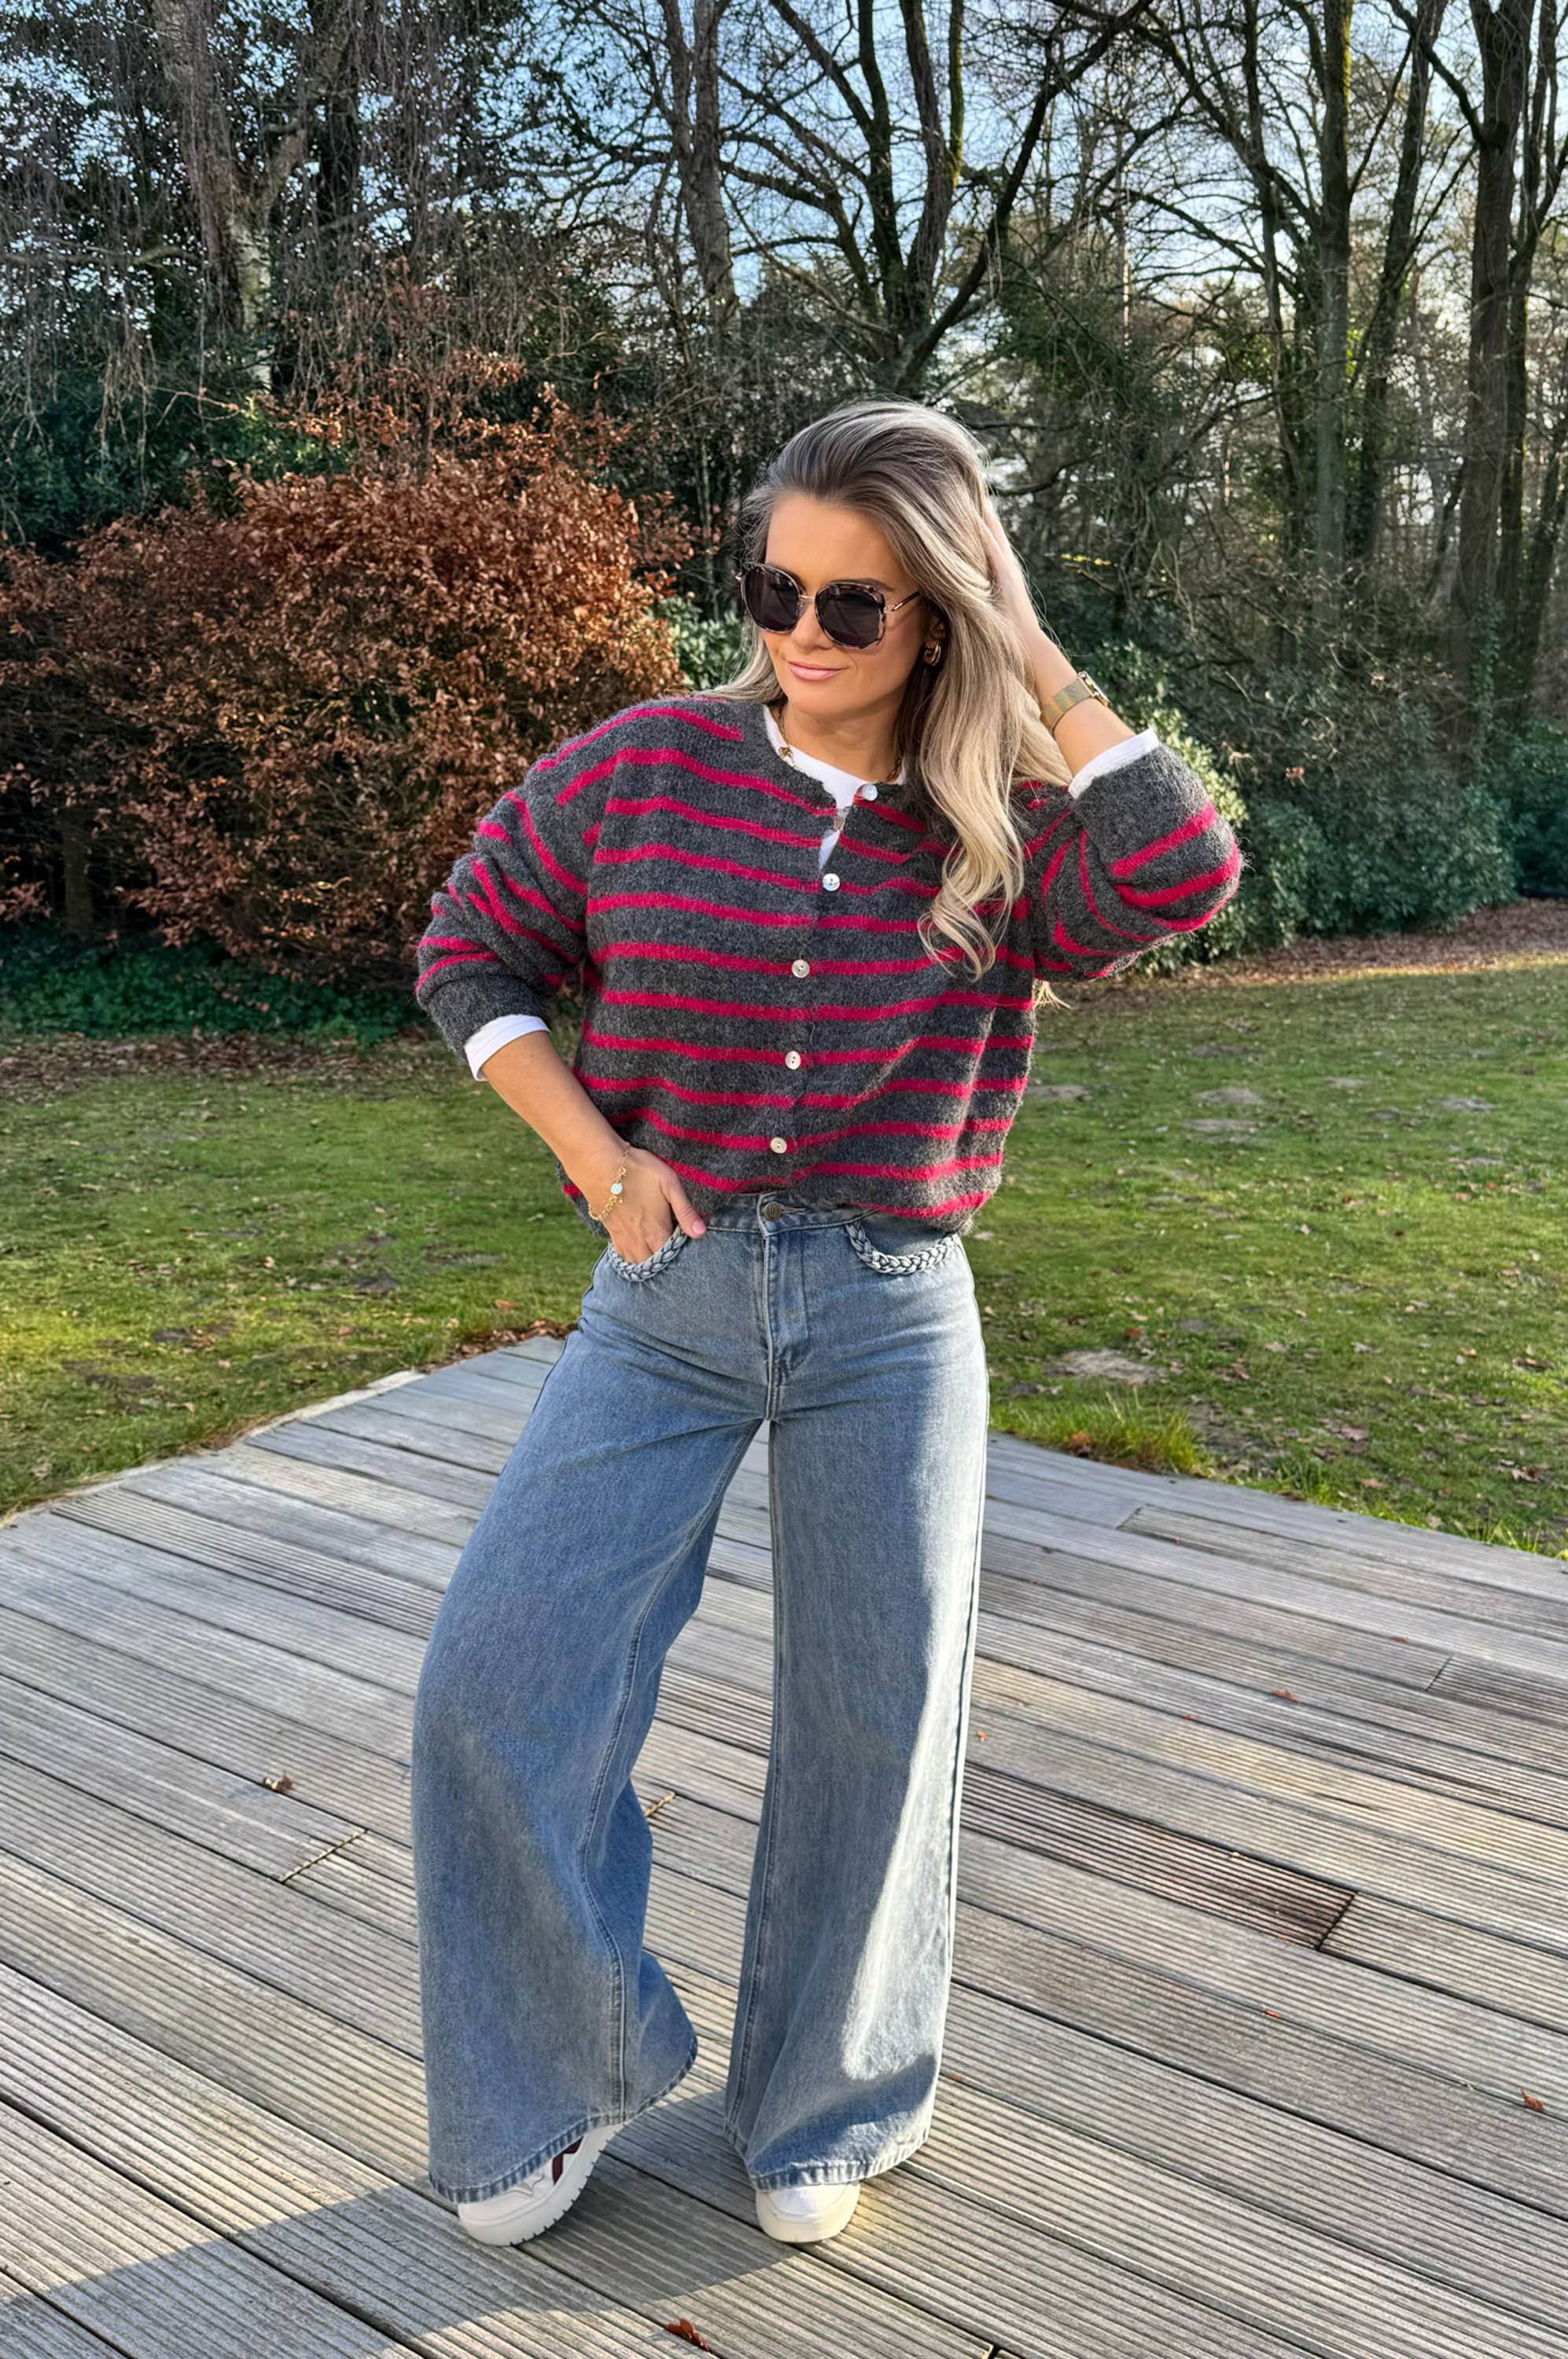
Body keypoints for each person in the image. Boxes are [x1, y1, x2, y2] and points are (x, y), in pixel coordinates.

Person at [408, 396, 1240, 2250]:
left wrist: (1032, 645)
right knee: (497, 1680)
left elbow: (1181, 866)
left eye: (854, 603)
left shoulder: (1005, 834)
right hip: (665, 1293)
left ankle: (825, 2100)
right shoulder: (646, 770)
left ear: (934, 616)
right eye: (773, 589)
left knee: (877, 1716)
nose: (799, 632)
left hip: (891, 1311)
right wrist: (598, 1156)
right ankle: (560, 2070)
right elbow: (470, 943)